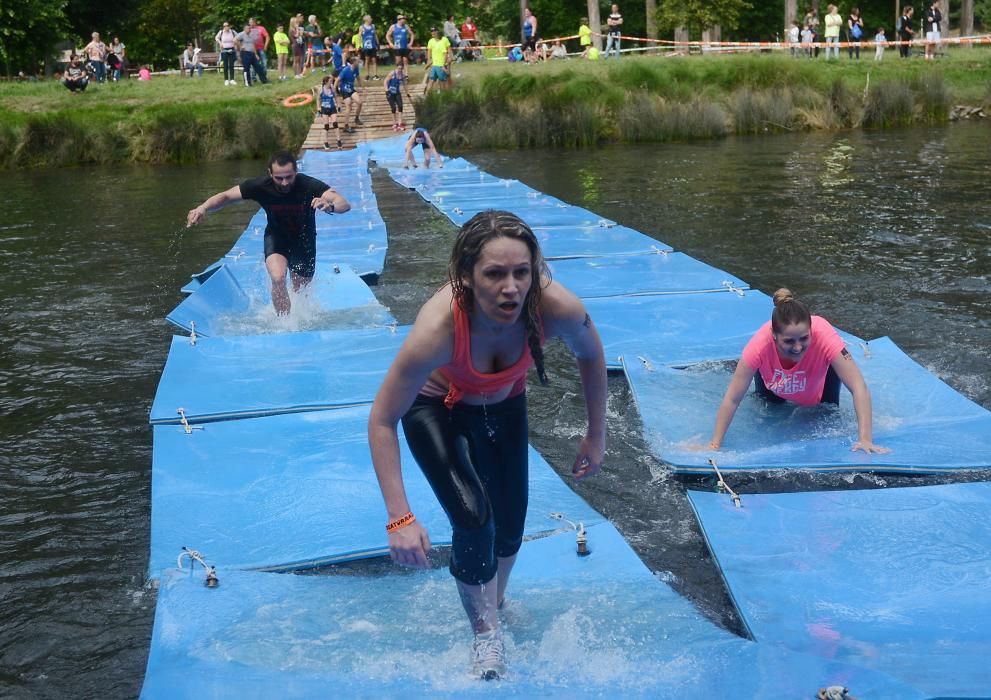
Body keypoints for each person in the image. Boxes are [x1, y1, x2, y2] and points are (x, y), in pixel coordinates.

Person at [367, 210, 607, 680]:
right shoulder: (437, 329)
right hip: (435, 408)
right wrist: (400, 516)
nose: (511, 288)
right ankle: (485, 634)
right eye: (494, 274)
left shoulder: (558, 307)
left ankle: (491, 603)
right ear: (465, 277)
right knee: (475, 519)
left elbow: (591, 354)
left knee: (511, 526)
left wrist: (596, 435)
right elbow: (381, 420)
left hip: (502, 404)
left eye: (522, 272)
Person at [706, 288, 889, 454]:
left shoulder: (824, 336)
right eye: (789, 341)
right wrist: (714, 445)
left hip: (820, 380)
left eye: (804, 338)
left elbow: (858, 386)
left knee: (824, 415)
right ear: (774, 336)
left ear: (811, 331)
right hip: (773, 382)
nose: (797, 347)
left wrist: (865, 439)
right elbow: (732, 398)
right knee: (768, 411)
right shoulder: (758, 347)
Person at [186, 150, 350, 315]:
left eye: (289, 177)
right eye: (279, 178)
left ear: (296, 172)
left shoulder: (308, 185)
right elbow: (227, 196)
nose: (285, 183)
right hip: (276, 237)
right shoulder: (260, 186)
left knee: (300, 290)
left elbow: (343, 203)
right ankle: (284, 324)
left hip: (304, 240)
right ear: (270, 173)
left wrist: (330, 206)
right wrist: (203, 207)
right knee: (278, 278)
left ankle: (299, 319)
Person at [334, 56, 363, 132]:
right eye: (357, 61)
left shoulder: (356, 69)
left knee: (360, 103)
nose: (359, 62)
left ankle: (356, 118)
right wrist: (334, 90)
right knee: (349, 105)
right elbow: (337, 80)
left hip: (351, 89)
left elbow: (358, 77)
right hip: (344, 90)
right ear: (353, 62)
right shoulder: (345, 70)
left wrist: (361, 86)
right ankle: (346, 126)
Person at [318, 76, 343, 150]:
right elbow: (318, 99)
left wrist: (338, 105)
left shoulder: (332, 88)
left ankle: (339, 140)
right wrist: (318, 108)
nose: (331, 83)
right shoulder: (321, 89)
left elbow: (336, 97)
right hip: (324, 109)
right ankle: (325, 142)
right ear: (326, 82)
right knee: (326, 126)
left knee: (335, 123)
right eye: (330, 81)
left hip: (332, 108)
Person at [425, 27, 452, 94]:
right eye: (432, 31)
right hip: (434, 65)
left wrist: (450, 58)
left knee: (444, 81)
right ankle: (426, 97)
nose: (433, 32)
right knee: (431, 81)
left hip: (441, 65)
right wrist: (428, 61)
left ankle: (447, 96)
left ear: (438, 32)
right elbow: (429, 52)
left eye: (434, 31)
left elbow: (448, 51)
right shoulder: (431, 41)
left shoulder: (444, 40)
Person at [384, 64, 409, 131]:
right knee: (393, 108)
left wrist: (407, 93)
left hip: (397, 93)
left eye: (401, 69)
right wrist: (386, 91)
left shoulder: (402, 76)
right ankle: (394, 123)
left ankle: (400, 123)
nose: (399, 70)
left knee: (400, 106)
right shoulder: (392, 73)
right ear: (396, 68)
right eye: (398, 68)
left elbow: (404, 85)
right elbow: (385, 81)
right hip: (390, 93)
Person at [360, 15, 380, 81]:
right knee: (367, 60)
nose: (371, 19)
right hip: (366, 46)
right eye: (370, 18)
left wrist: (378, 43)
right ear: (367, 20)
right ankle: (367, 75)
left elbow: (375, 35)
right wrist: (360, 45)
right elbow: (359, 36)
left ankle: (375, 75)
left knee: (374, 60)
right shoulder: (362, 27)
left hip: (373, 46)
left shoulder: (373, 26)